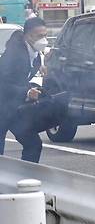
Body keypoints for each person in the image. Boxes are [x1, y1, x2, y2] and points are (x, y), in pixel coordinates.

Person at [0, 17, 65, 163]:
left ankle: (27, 178)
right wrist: (27, 92)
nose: (44, 40)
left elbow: (20, 79)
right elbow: (3, 83)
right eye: (40, 36)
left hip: (13, 107)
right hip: (2, 106)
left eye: (45, 35)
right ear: (28, 36)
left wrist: (32, 87)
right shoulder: (14, 54)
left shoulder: (34, 53)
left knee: (33, 144)